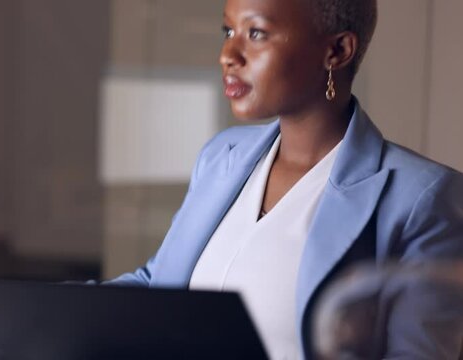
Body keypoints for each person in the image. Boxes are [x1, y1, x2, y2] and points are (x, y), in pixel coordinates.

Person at [105, 0, 463, 358]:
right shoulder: (221, 155)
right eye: (228, 32)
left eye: (256, 33)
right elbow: (158, 285)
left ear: (336, 51)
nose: (228, 55)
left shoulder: (422, 198)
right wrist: (53, 308)